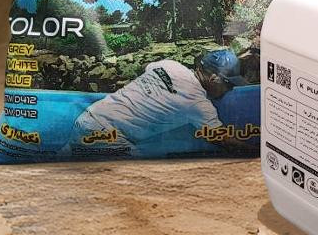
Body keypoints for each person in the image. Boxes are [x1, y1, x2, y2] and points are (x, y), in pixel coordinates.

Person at [72, 48, 247, 157]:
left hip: (87, 118)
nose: (229, 90)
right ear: (214, 79)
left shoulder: (169, 65)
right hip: (108, 136)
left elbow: (146, 67)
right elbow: (225, 141)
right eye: (229, 85)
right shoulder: (197, 103)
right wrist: (256, 151)